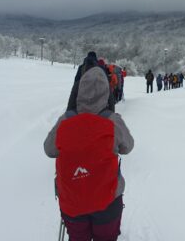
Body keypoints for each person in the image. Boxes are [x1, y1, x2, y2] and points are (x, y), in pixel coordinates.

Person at [44, 68, 134, 241]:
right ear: (106, 92)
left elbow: (49, 150)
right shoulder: (112, 121)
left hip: (72, 202)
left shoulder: (65, 120)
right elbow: (128, 147)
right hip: (108, 202)